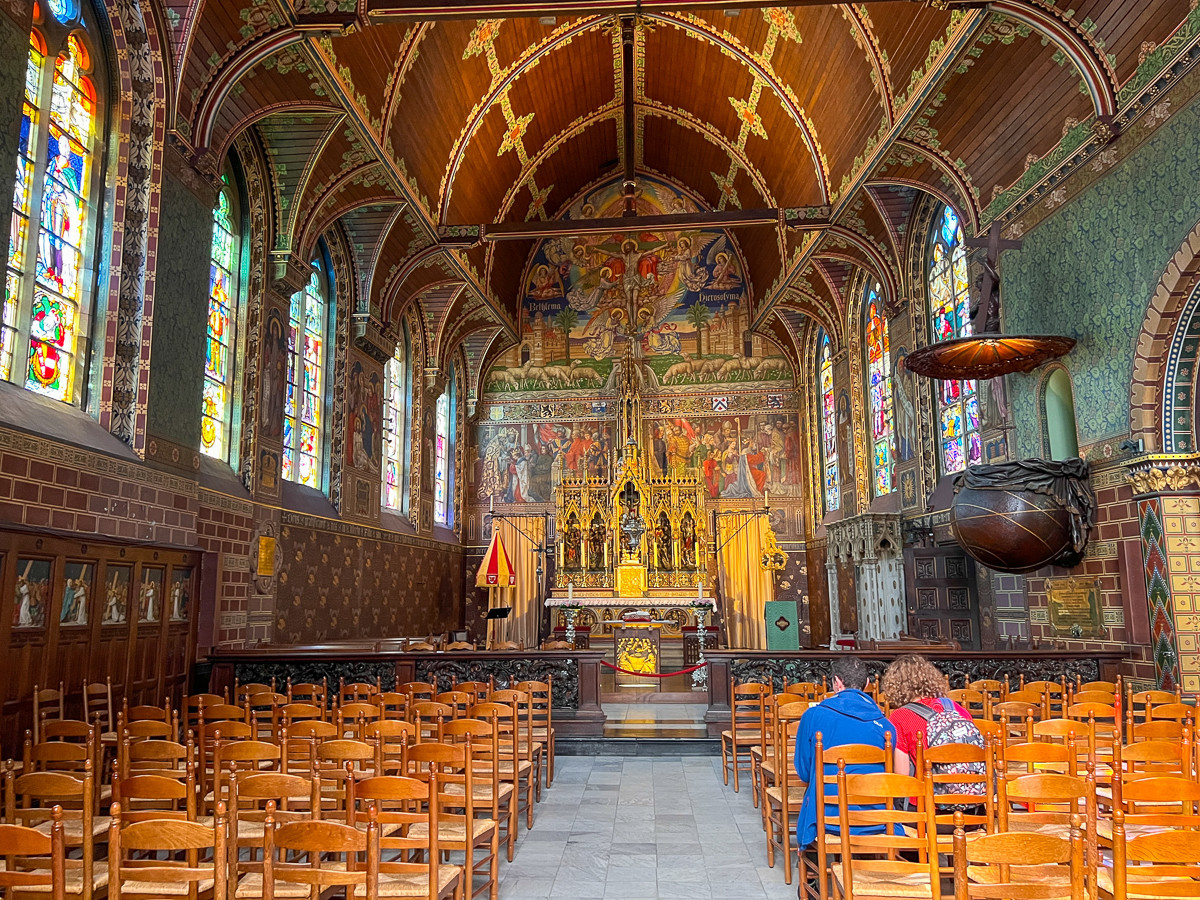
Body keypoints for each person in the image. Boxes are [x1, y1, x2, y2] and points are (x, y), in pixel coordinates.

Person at [794, 656, 896, 850]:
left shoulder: (813, 716)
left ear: (837, 682)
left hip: (827, 818)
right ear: (867, 683)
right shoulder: (886, 726)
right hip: (876, 817)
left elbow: (805, 772)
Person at [880, 655, 973, 777]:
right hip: (972, 789)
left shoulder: (899, 717)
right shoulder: (954, 707)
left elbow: (902, 775)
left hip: (928, 791)